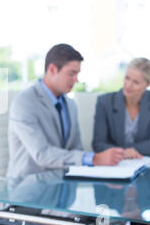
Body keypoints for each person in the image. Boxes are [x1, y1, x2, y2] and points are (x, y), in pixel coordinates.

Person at [7, 44, 124, 179]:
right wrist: (94, 159)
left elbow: (76, 150)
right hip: (28, 191)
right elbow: (42, 154)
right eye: (71, 73)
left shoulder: (71, 105)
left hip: (62, 188)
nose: (76, 80)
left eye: (77, 74)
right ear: (52, 69)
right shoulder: (25, 102)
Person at [92, 58, 150, 158]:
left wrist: (131, 150)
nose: (128, 85)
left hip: (145, 162)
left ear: (149, 83)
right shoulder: (105, 102)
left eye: (136, 82)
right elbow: (98, 144)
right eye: (127, 78)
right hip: (113, 163)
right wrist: (124, 152)